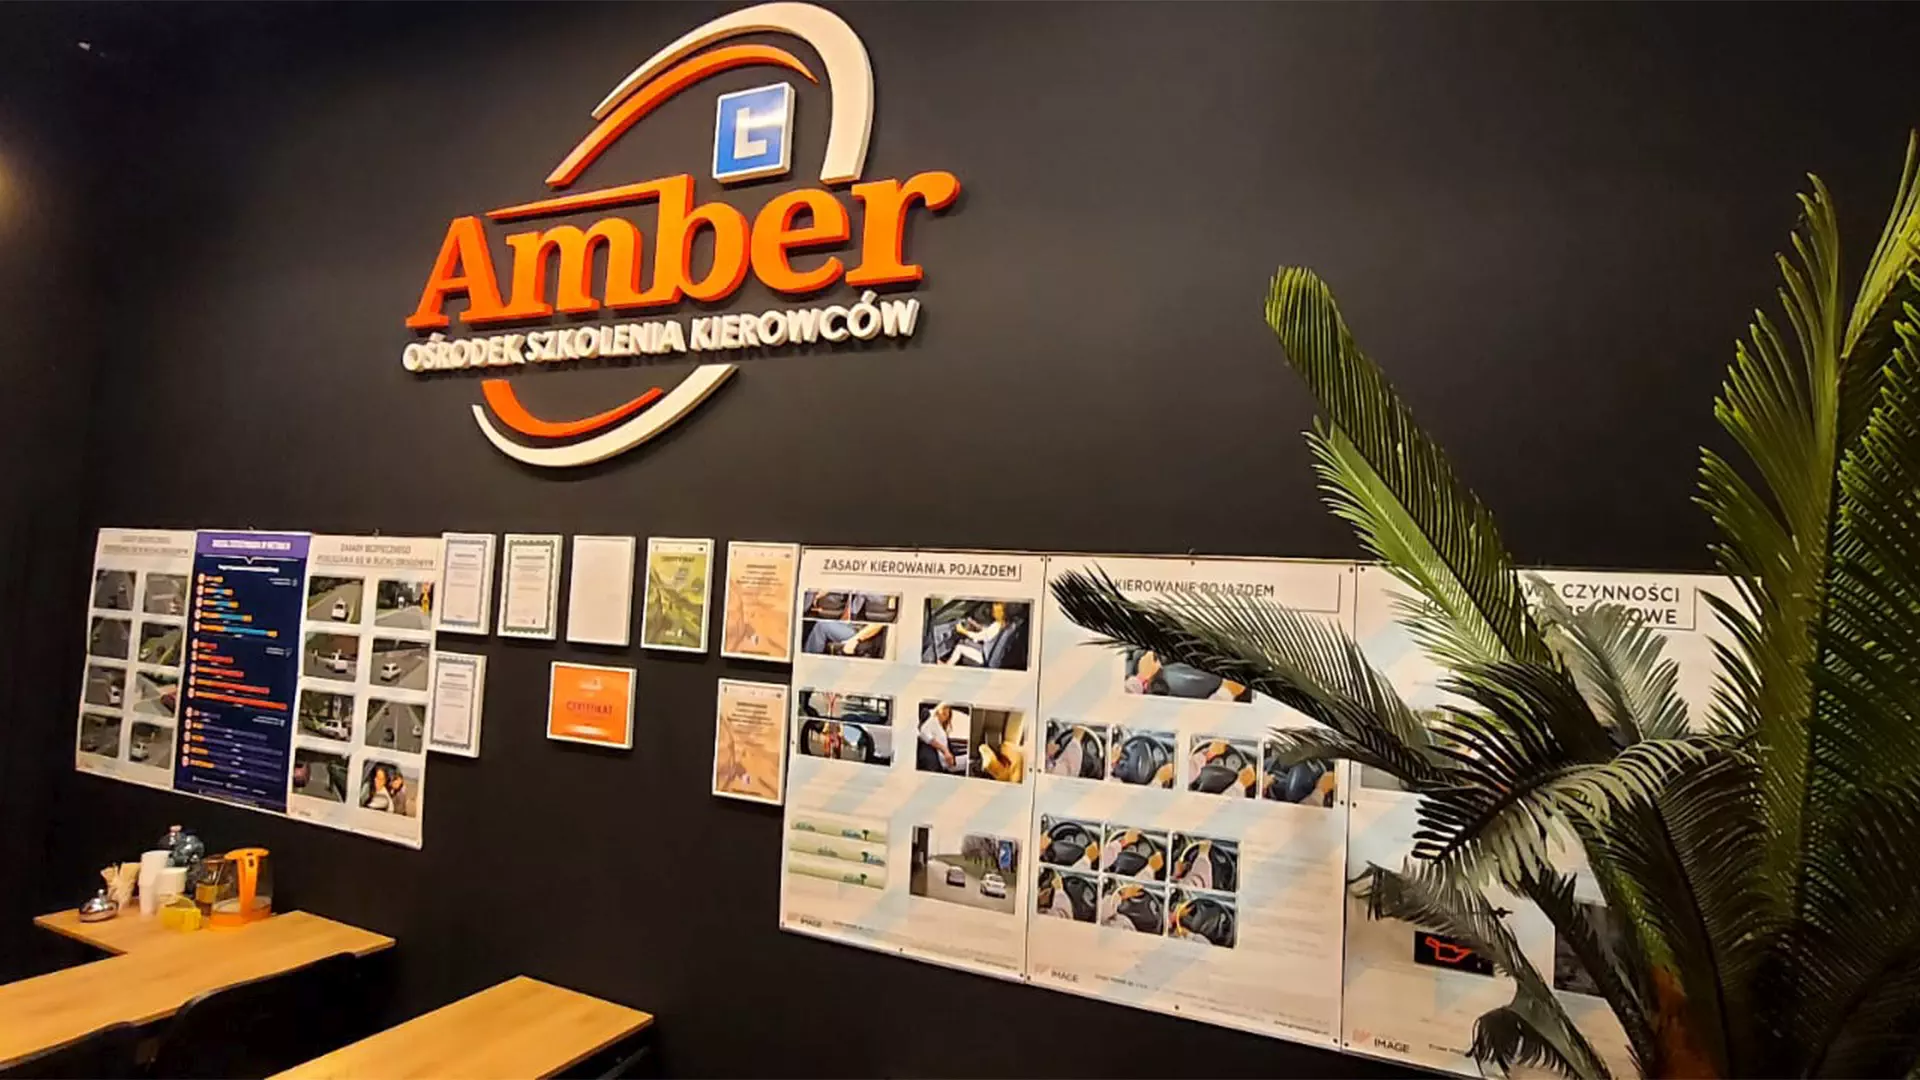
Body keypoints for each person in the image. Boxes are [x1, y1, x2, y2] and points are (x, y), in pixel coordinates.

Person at [917, 703, 962, 773]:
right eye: (943, 713)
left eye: (947, 715)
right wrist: (945, 750)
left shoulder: (940, 727)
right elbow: (923, 733)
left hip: (949, 761)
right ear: (938, 710)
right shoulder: (933, 721)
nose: (944, 717)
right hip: (946, 763)